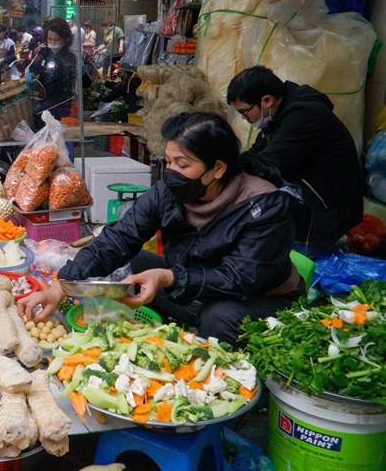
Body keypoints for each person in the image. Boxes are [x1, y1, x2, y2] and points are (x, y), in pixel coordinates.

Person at [19, 112, 305, 345]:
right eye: (168, 162)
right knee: (132, 265)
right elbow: (118, 239)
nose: (171, 172)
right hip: (192, 285)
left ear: (218, 168)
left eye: (182, 164)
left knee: (219, 317)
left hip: (255, 298)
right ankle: (182, 323)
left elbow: (238, 278)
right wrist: (63, 284)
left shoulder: (263, 206)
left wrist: (168, 277)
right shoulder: (168, 192)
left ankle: (219, 363)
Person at [227, 65, 364, 254]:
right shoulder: (276, 115)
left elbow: (268, 163)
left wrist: (224, 173)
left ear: (267, 101)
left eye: (245, 112)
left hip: (326, 207)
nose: (245, 118)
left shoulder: (305, 115)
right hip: (307, 190)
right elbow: (256, 153)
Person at [26, 18, 77, 121]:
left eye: (57, 40)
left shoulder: (70, 57)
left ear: (65, 39)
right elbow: (33, 68)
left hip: (61, 104)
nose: (52, 43)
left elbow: (69, 79)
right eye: (50, 39)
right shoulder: (43, 53)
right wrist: (31, 75)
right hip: (42, 100)